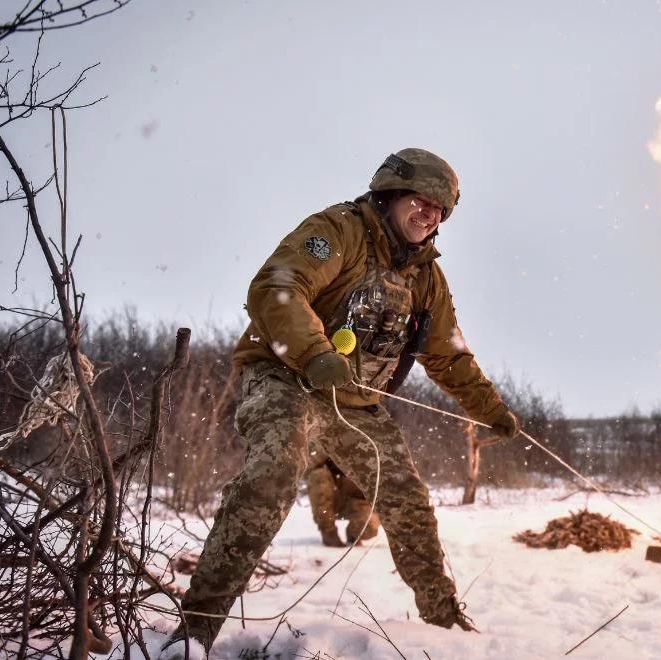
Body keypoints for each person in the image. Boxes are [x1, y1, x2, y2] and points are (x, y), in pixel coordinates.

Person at [163, 148, 520, 656]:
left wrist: (491, 409)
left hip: (354, 404)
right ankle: (194, 632)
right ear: (391, 195)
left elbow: (449, 355)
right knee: (274, 474)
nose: (429, 216)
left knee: (408, 501)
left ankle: (444, 627)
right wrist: (313, 354)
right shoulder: (338, 230)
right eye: (420, 201)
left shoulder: (426, 279)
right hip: (285, 377)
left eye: (440, 210)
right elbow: (276, 288)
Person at [305, 447, 380, 547]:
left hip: (357, 502)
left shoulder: (375, 446)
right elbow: (307, 467)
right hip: (333, 497)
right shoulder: (333, 440)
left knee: (371, 524)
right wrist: (325, 452)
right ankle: (328, 531)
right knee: (319, 476)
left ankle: (353, 533)